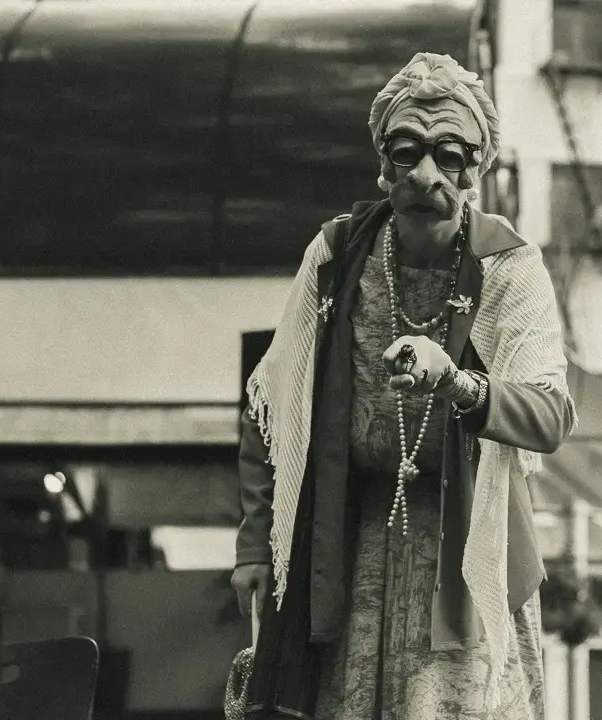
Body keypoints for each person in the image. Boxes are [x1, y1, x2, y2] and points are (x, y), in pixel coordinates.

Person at [231, 52, 576, 719]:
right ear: (382, 162)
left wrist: (459, 384)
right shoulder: (335, 255)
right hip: (347, 541)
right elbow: (271, 408)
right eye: (406, 149)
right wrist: (253, 548)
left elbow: (551, 416)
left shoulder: (507, 267)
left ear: (477, 167)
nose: (425, 174)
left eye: (448, 154)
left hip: (469, 553)